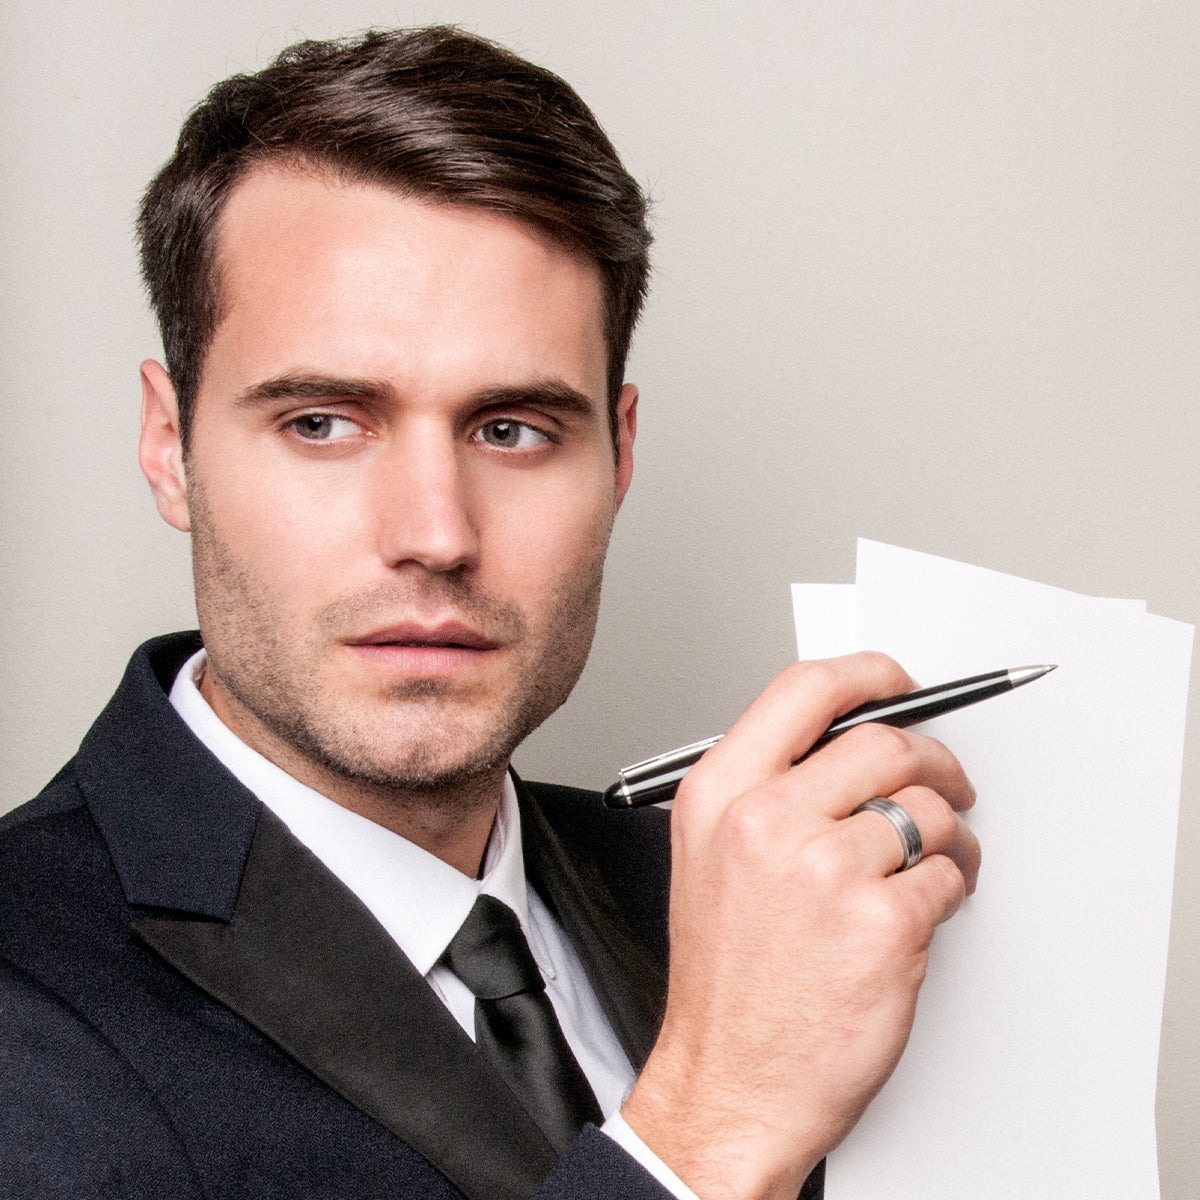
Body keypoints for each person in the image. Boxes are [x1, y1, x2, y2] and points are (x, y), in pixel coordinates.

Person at [0, 25, 979, 1200]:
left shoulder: (742, 901)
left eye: (512, 428)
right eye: (322, 421)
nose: (437, 532)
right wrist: (706, 1137)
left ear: (618, 455)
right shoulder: (26, 993)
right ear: (170, 447)